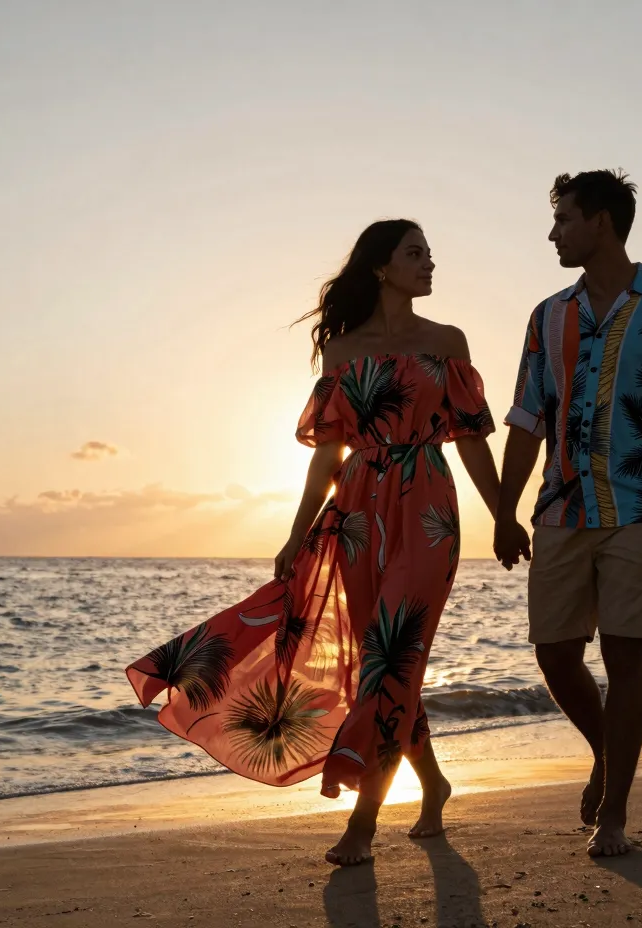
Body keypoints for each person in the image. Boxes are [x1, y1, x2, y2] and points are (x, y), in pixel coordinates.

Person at [126, 219, 501, 866]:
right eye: (416, 254)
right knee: (385, 661)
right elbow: (327, 455)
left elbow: (470, 437)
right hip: (357, 510)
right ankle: (433, 783)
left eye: (430, 255)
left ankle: (363, 822)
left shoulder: (448, 341)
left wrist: (505, 516)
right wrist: (296, 533)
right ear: (382, 267)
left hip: (428, 508)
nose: (430, 264)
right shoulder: (342, 352)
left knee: (393, 651)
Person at [493, 170, 642, 858]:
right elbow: (527, 421)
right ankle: (606, 754)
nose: (553, 231)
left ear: (600, 221)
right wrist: (504, 512)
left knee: (625, 657)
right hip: (559, 508)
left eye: (562, 217)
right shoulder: (548, 315)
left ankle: (614, 814)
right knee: (554, 653)